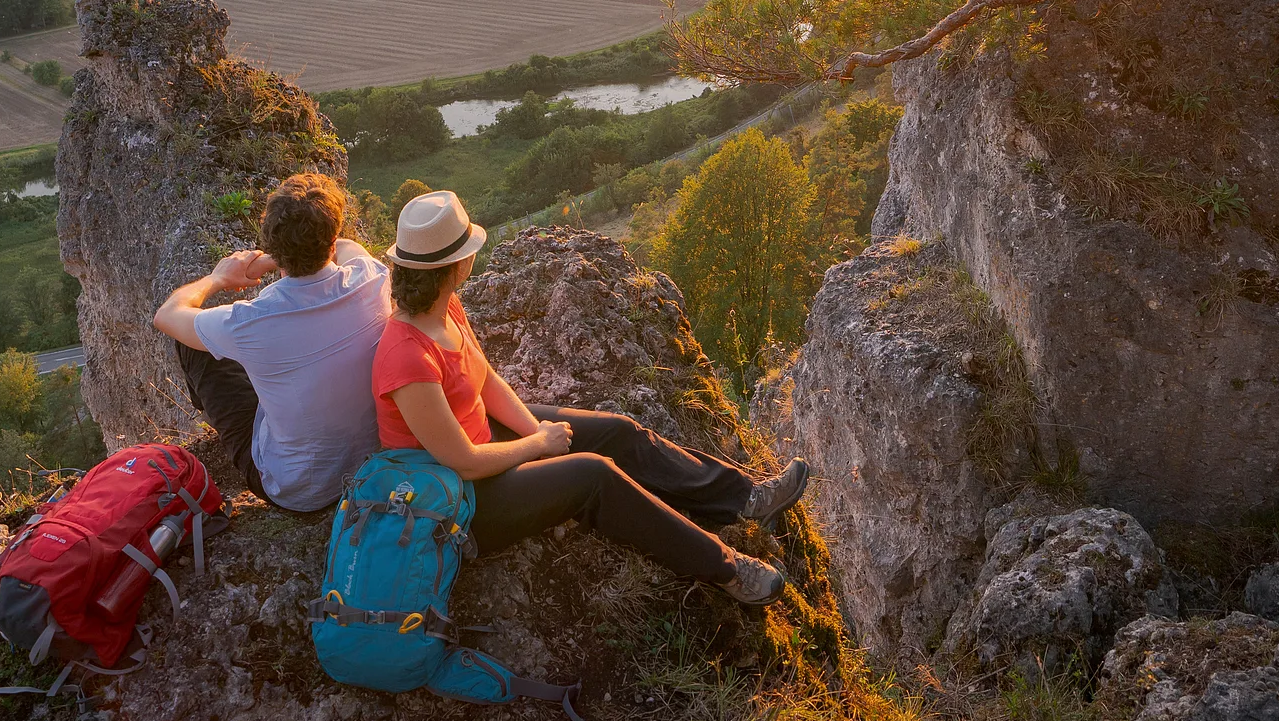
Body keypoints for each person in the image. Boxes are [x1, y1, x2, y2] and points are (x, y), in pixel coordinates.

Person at [371, 189, 811, 605]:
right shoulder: (406, 356)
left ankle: (745, 498)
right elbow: (462, 461)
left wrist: (534, 429)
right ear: (456, 264)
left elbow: (484, 381)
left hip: (483, 441)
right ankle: (727, 569)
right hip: (461, 504)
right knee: (594, 476)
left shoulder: (444, 305)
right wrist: (539, 445)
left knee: (617, 431)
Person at [150, 171, 389, 512]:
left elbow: (168, 315)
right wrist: (285, 254)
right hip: (372, 466)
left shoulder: (252, 322)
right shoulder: (372, 278)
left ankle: (224, 435)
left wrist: (218, 278)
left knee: (193, 341)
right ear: (331, 241)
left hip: (301, 493)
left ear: (275, 246)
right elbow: (350, 247)